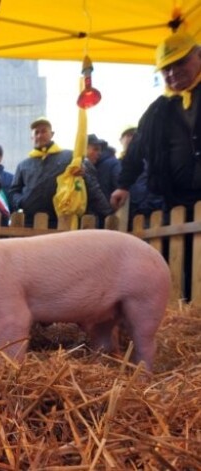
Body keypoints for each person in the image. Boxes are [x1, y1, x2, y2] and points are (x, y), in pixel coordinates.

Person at [110, 30, 200, 301]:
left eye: (180, 64)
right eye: (166, 69)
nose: (173, 73)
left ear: (198, 56)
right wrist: (124, 184)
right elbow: (137, 148)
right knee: (184, 260)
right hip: (177, 200)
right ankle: (189, 308)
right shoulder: (157, 110)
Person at [9, 117, 112, 228]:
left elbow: (91, 186)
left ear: (52, 134)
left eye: (43, 131)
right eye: (36, 132)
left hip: (62, 221)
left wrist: (107, 212)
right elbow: (14, 191)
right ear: (32, 137)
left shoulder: (69, 157)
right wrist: (22, 202)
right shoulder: (24, 165)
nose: (39, 135)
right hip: (30, 222)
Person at [117, 125, 163, 223]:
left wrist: (145, 207)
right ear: (121, 140)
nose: (131, 138)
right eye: (128, 135)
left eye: (134, 135)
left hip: (147, 213)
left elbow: (156, 186)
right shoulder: (118, 163)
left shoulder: (148, 161)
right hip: (125, 215)